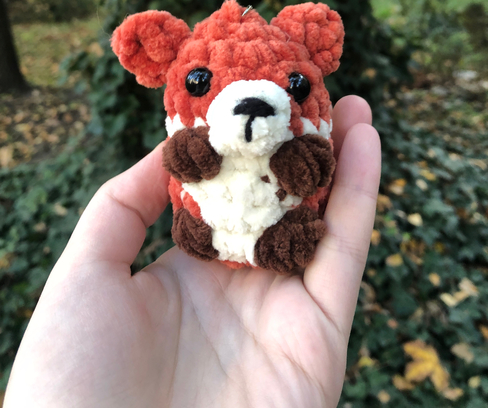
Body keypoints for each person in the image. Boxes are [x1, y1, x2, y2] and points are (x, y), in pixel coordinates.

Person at [5, 95, 381, 408]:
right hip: (208, 236)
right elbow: (185, 162)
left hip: (276, 236)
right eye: (199, 82)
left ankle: (273, 237)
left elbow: (313, 169)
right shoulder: (196, 141)